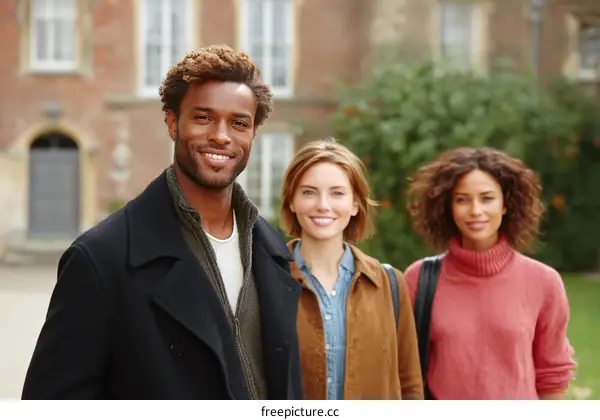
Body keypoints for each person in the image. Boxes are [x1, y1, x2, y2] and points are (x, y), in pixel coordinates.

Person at [21, 45, 304, 400]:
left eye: (238, 123)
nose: (221, 135)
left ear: (252, 135)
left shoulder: (273, 249)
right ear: (173, 122)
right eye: (203, 117)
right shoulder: (101, 259)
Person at [403, 146, 577, 400]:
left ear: (506, 204)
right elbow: (402, 371)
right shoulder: (418, 278)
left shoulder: (543, 282)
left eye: (487, 198)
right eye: (462, 199)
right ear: (448, 207)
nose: (475, 210)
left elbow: (551, 376)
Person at [279, 140, 423, 400]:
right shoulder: (265, 279)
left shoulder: (388, 283)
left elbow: (410, 385)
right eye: (309, 192)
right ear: (291, 201)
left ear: (355, 204)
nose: (323, 205)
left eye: (337, 193)